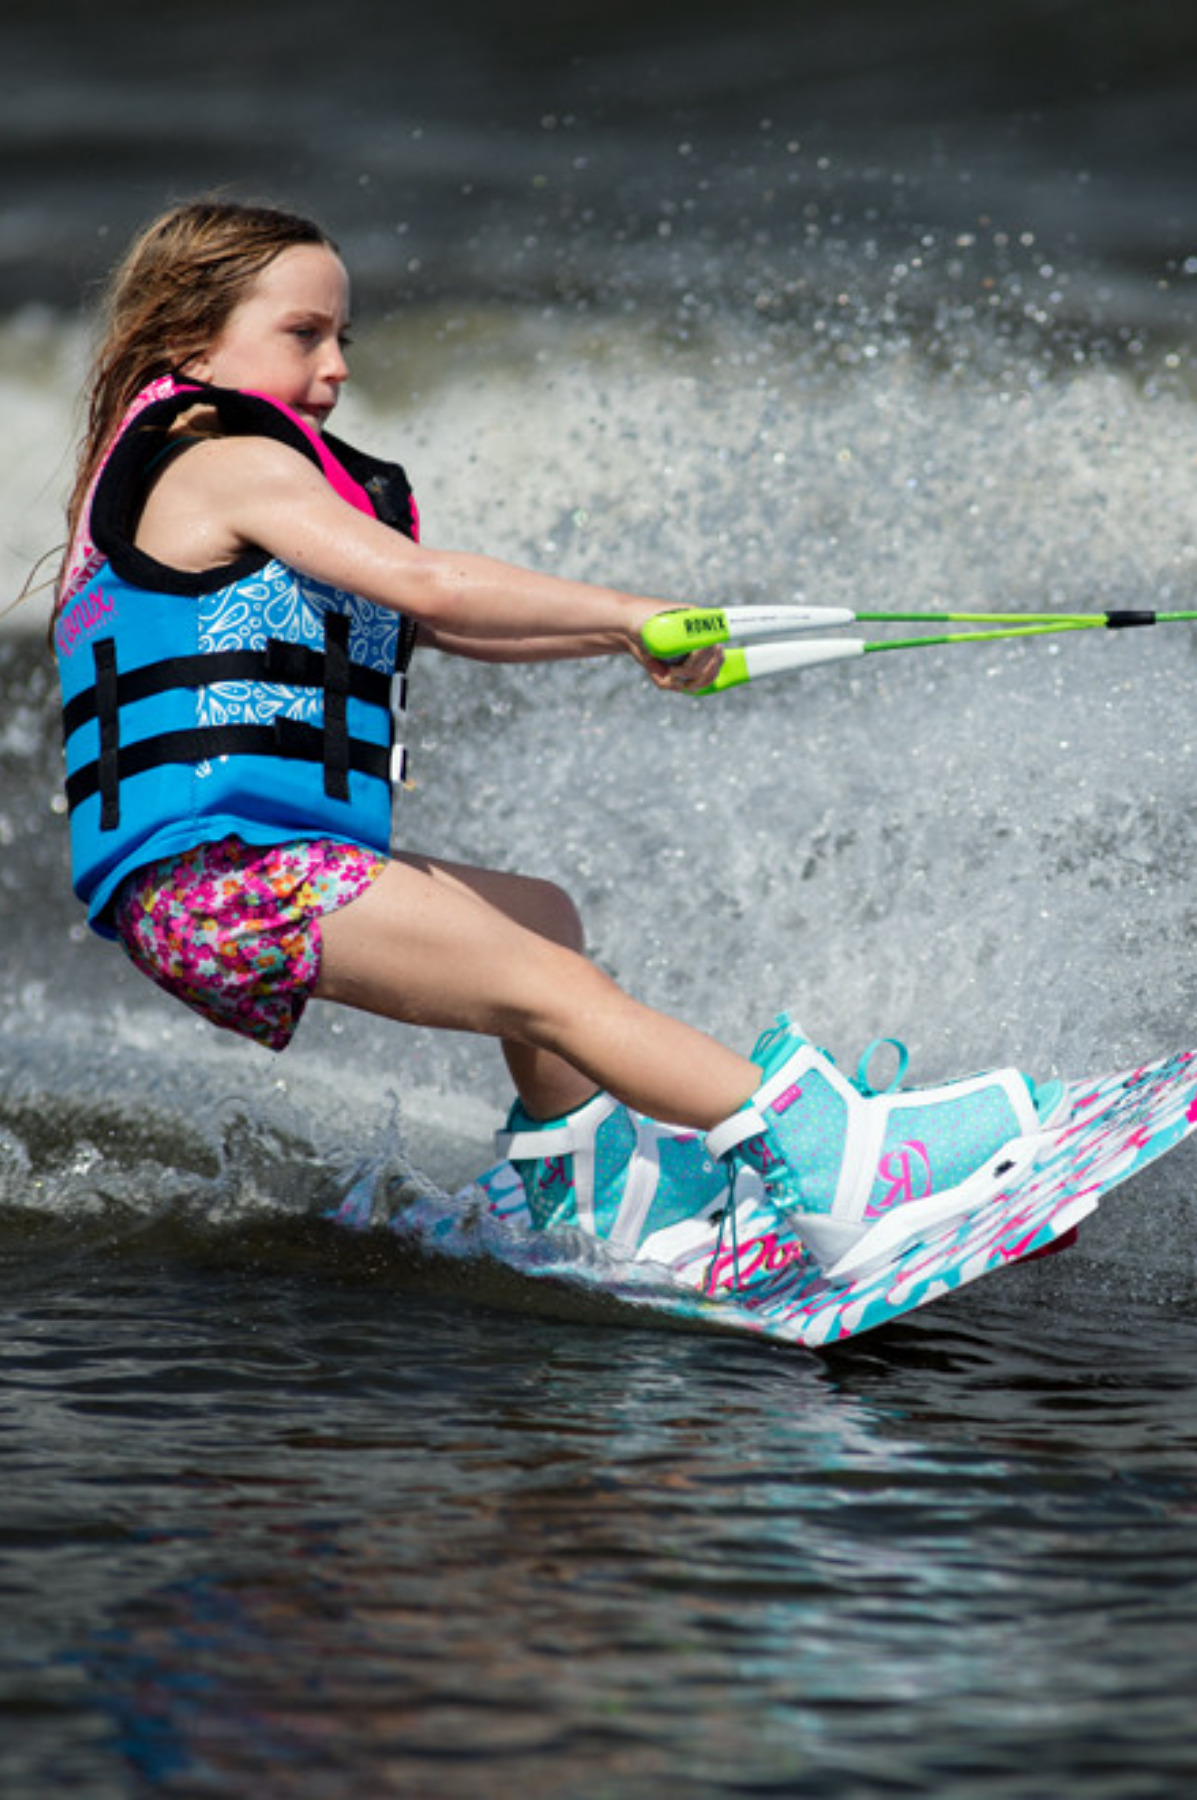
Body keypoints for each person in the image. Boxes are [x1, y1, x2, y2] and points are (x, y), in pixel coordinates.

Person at [52, 197, 1064, 1283]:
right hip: (224, 878)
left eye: (345, 336)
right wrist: (632, 607)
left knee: (542, 919)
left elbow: (433, 621)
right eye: (305, 335)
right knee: (554, 991)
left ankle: (594, 1195)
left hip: (235, 874)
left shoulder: (247, 469)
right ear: (186, 341)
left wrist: (619, 639)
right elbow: (429, 580)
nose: (337, 366)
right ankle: (840, 1170)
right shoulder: (220, 462)